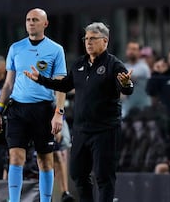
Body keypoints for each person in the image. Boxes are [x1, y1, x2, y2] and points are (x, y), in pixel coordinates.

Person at [24, 22, 134, 202]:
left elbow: (127, 88)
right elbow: (65, 85)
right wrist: (41, 79)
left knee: (103, 176)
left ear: (105, 41)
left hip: (105, 130)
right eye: (86, 39)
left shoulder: (114, 65)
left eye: (93, 39)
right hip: (81, 130)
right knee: (77, 173)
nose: (88, 42)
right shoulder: (80, 64)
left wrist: (126, 84)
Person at [0, 8, 67, 202]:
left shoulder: (56, 49)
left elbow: (61, 85)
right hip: (17, 109)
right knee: (15, 158)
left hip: (43, 110)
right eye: (28, 20)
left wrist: (59, 113)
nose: (30, 23)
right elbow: (8, 84)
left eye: (35, 20)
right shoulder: (15, 48)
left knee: (45, 160)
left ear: (45, 24)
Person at [122, 41, 151, 118]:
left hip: (142, 108)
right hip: (128, 107)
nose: (131, 51)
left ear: (139, 52)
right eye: (129, 49)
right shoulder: (124, 66)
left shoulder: (143, 67)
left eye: (134, 49)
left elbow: (127, 76)